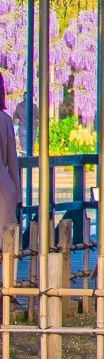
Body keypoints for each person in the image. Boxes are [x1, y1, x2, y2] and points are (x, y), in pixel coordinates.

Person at [0, 79, 20, 252]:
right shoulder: (4, 119)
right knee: (5, 248)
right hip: (3, 187)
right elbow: (12, 161)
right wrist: (17, 194)